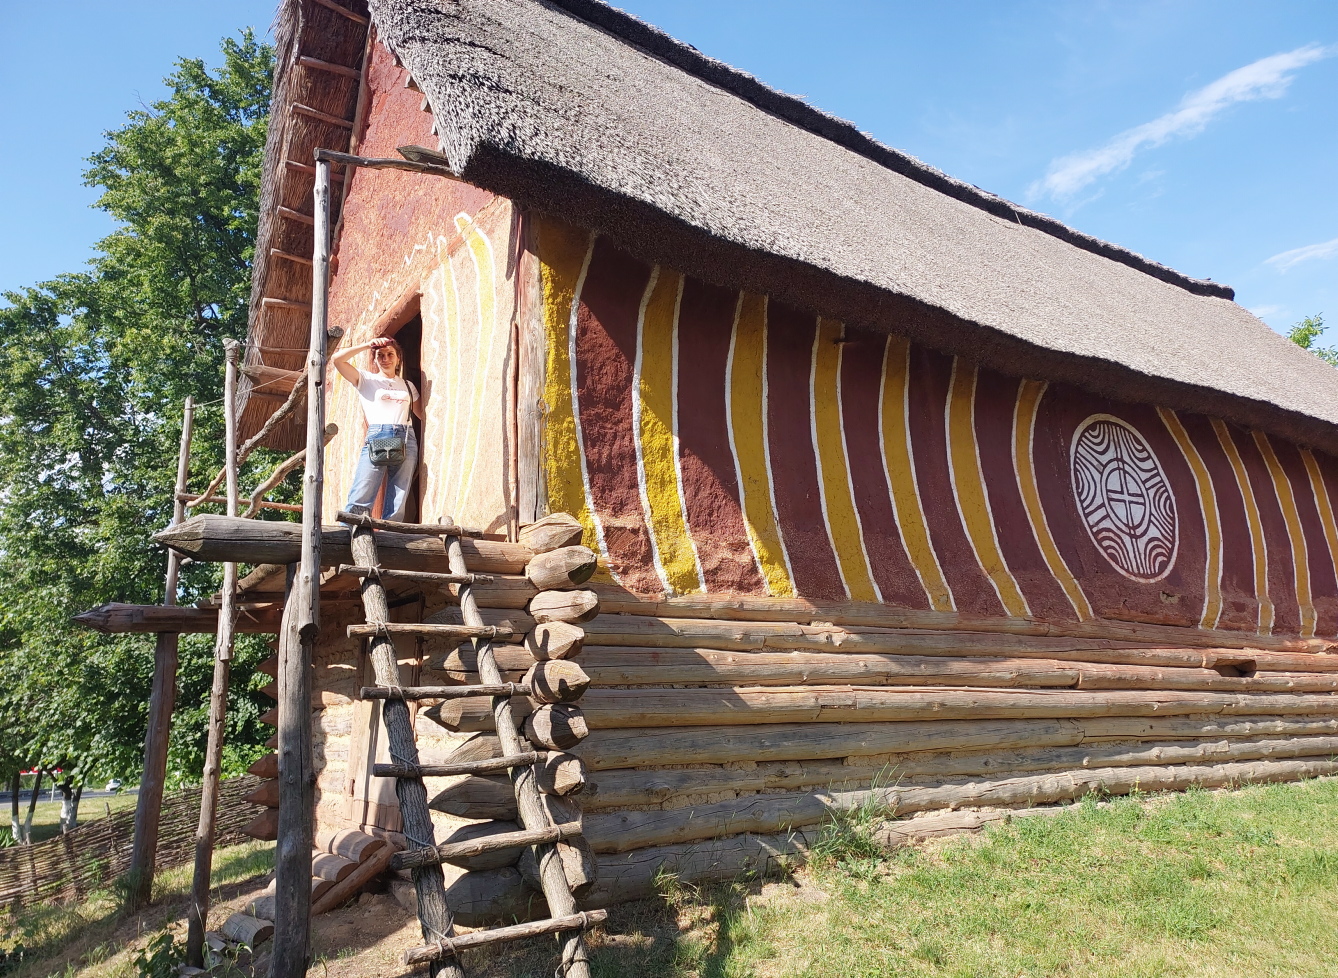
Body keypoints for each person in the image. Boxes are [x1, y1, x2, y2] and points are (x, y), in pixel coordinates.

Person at [332, 335, 424, 522]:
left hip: (406, 436)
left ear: (398, 358)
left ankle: (390, 535)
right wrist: (368, 345)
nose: (385, 359)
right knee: (364, 488)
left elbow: (422, 415)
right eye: (380, 355)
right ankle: (348, 532)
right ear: (374, 359)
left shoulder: (407, 385)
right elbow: (337, 360)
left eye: (390, 354)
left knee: (399, 493)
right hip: (378, 435)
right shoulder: (366, 379)